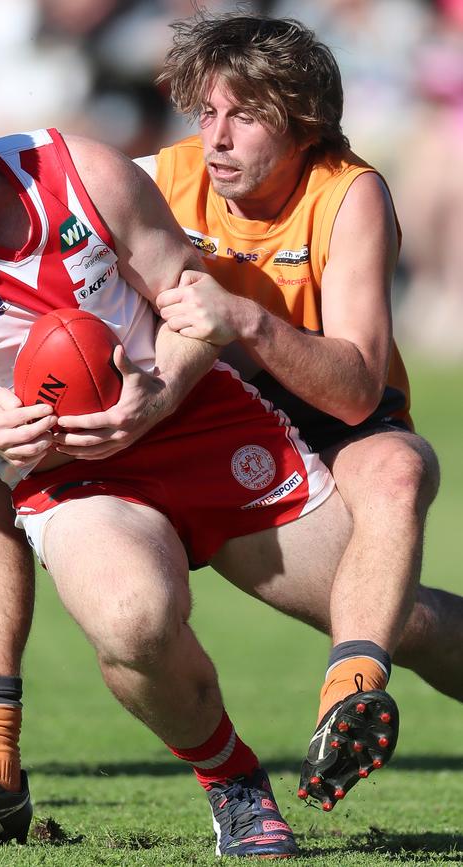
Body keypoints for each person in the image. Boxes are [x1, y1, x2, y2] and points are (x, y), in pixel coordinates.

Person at [0, 37, 365, 857]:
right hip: (74, 480)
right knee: (132, 621)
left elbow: (191, 297)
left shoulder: (82, 172)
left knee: (396, 616)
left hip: (200, 420)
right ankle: (235, 786)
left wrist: (158, 391)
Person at [148, 8, 462, 808]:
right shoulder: (160, 178)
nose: (215, 138)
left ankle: (349, 696)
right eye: (206, 112)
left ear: (302, 125)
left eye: (244, 117)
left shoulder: (349, 192)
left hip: (331, 413)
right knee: (405, 618)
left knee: (400, 466)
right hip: (207, 429)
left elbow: (357, 389)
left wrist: (245, 318)